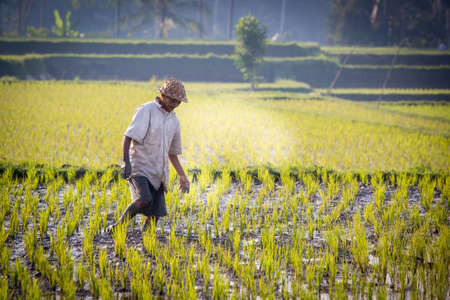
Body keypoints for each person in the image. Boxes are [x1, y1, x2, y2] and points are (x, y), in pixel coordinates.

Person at [107, 79, 190, 233]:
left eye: (178, 102)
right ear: (163, 95)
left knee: (156, 213)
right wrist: (126, 162)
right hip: (140, 166)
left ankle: (146, 240)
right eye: (172, 100)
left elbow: (172, 153)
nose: (175, 104)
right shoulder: (147, 110)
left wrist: (182, 176)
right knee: (143, 199)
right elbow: (129, 136)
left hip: (158, 171)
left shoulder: (174, 120)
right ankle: (117, 227)